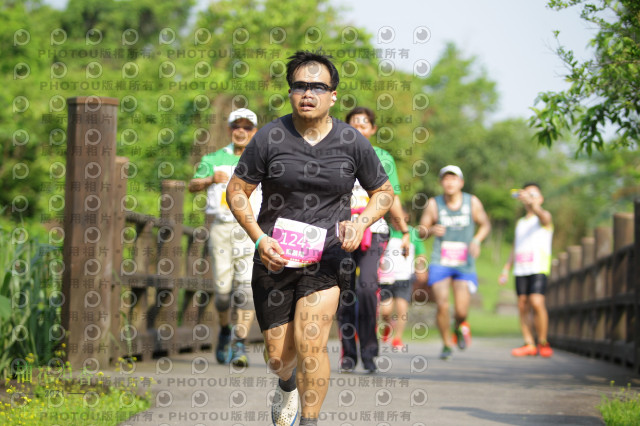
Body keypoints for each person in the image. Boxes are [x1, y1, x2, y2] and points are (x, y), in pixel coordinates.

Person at [226, 51, 394, 426]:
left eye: (318, 86)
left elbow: (383, 192)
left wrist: (361, 222)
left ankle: (310, 421)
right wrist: (257, 238)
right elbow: (236, 190)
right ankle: (285, 384)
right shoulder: (269, 136)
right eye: (300, 85)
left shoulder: (352, 141)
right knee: (278, 357)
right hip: (275, 256)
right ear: (290, 92)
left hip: (328, 257)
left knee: (312, 342)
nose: (308, 93)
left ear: (333, 95)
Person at [337, 106, 411, 373]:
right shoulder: (334, 154)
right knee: (344, 292)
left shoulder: (383, 157)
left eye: (363, 125)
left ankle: (369, 352)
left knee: (367, 288)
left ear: (372, 129)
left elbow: (392, 197)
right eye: (353, 124)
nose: (358, 129)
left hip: (374, 229)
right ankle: (348, 354)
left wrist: (404, 232)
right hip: (341, 231)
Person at [188, 108, 261, 367]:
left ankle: (239, 342)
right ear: (230, 129)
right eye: (236, 126)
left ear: (254, 132)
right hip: (221, 227)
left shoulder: (262, 158)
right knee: (222, 293)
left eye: (247, 127)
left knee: (246, 291)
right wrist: (209, 179)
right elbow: (192, 185)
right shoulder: (214, 158)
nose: (241, 131)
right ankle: (224, 330)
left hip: (250, 229)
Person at [418, 165, 491, 360]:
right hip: (440, 261)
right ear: (441, 182)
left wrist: (476, 240)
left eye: (453, 179)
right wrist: (432, 230)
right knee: (442, 306)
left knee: (461, 310)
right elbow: (421, 231)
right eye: (446, 179)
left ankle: (459, 326)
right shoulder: (434, 204)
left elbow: (485, 224)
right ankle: (446, 344)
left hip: (464, 263)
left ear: (461, 182)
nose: (449, 182)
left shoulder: (471, 202)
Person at [499, 183, 554, 358]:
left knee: (537, 302)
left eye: (533, 194)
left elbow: (544, 217)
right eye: (527, 194)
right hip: (520, 269)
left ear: (540, 198)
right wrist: (506, 268)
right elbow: (516, 246)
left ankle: (543, 342)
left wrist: (533, 204)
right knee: (522, 305)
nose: (529, 197)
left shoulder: (543, 217)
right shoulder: (521, 222)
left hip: (538, 267)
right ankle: (529, 342)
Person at [378, 210, 428, 349]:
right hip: (387, 277)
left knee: (401, 309)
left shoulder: (412, 233)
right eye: (394, 219)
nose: (397, 222)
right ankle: (388, 325)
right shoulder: (386, 231)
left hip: (405, 277)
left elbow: (421, 253)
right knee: (385, 311)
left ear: (406, 218)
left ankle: (397, 338)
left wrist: (421, 267)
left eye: (400, 219)